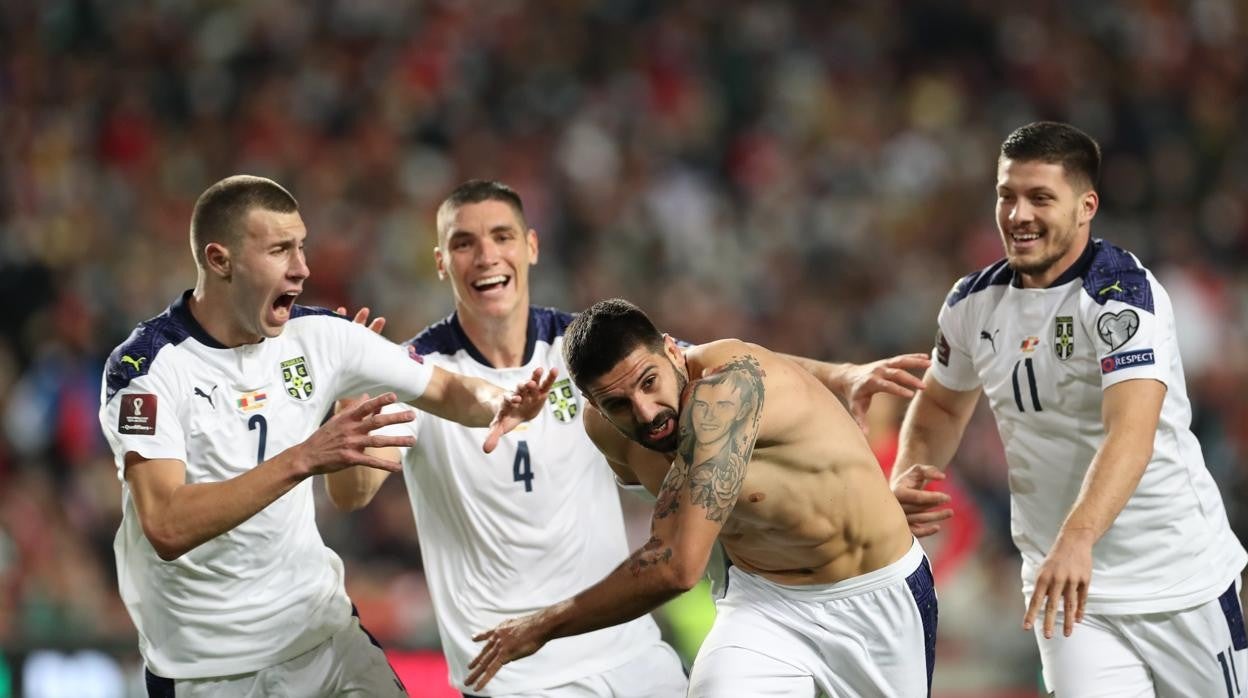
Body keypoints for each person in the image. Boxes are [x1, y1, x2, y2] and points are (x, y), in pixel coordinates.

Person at [328, 179, 933, 697]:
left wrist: (843, 376)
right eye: (464, 242)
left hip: (638, 648)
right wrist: (353, 398)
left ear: (531, 246)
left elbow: (734, 368)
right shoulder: (417, 373)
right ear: (440, 261)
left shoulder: (597, 355)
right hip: (527, 664)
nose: (486, 256)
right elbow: (353, 494)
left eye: (502, 236)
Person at [97, 175, 553, 697]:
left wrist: (505, 401)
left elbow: (450, 391)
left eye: (302, 246)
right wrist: (305, 457)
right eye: (279, 250)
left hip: (324, 640)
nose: (302, 267)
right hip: (207, 669)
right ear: (220, 260)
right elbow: (167, 525)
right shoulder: (147, 369)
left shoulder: (320, 338)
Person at [891, 121, 1248, 696]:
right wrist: (910, 474)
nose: (1018, 214)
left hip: (1177, 580)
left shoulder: (1122, 296)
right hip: (1068, 594)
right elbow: (938, 402)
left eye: (1040, 198)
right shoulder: (971, 303)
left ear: (1086, 207)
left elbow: (1130, 433)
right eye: (1007, 195)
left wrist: (1078, 538)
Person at [464, 297, 938, 697]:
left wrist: (542, 627)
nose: (646, 413)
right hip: (764, 603)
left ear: (673, 352)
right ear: (594, 404)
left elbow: (676, 565)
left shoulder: (723, 392)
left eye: (648, 383)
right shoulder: (608, 432)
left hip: (873, 596)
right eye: (617, 404)